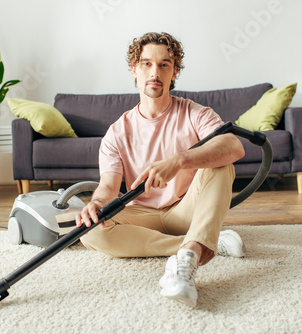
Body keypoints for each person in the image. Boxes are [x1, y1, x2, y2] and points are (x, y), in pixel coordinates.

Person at [75, 32, 246, 307]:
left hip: (185, 209)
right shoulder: (117, 133)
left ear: (174, 71)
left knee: (221, 163)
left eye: (164, 64)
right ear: (134, 69)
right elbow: (108, 186)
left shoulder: (195, 113)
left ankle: (192, 249)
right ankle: (201, 243)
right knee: (91, 231)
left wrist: (179, 160)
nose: (155, 72)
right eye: (146, 64)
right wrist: (95, 203)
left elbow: (234, 146)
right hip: (141, 212)